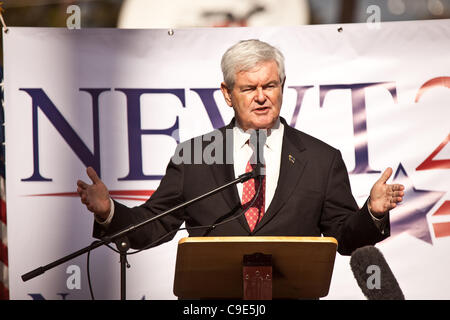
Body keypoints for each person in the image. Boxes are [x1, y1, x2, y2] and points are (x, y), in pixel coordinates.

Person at [77, 39, 404, 255]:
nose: (261, 97)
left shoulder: (321, 159)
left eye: (270, 85)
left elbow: (344, 239)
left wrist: (372, 213)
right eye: (249, 88)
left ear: (283, 87)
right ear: (227, 93)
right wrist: (109, 212)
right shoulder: (194, 156)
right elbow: (154, 226)